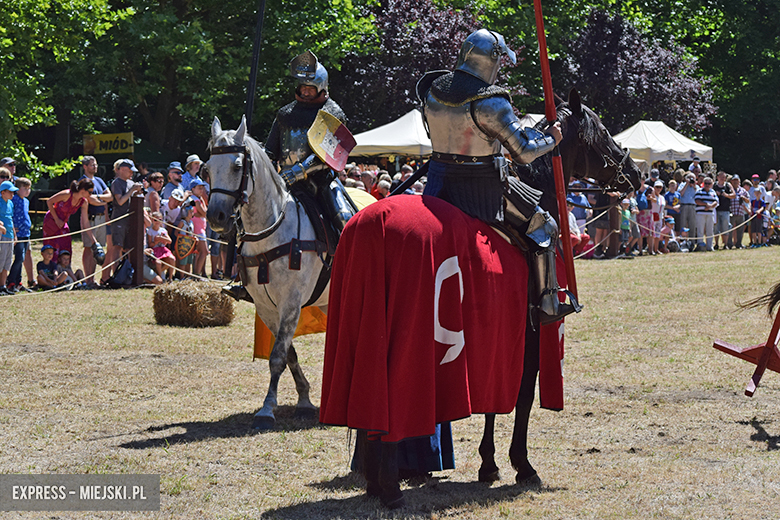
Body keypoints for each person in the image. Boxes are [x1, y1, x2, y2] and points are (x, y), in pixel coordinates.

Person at [418, 28, 574, 324]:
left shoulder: (433, 90)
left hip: (437, 184)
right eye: (501, 61)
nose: (501, 67)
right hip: (482, 187)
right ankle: (548, 303)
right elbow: (523, 152)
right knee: (545, 225)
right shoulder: (491, 102)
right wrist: (552, 139)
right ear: (491, 61)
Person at [224, 50, 356, 302]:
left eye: (310, 87)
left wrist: (297, 172)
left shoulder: (332, 112)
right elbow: (271, 148)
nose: (305, 91)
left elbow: (327, 153)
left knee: (346, 221)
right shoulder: (285, 113)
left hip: (320, 182)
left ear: (321, 87)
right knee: (245, 221)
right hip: (285, 185)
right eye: (302, 86)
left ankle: (355, 271)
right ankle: (242, 279)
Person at [43, 178, 110, 264]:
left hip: (63, 224)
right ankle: (51, 273)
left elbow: (86, 222)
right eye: (89, 192)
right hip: (51, 222)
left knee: (66, 250)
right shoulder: (67, 194)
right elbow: (49, 202)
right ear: (82, 190)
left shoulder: (83, 202)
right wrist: (56, 219)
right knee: (52, 251)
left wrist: (94, 241)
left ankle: (64, 273)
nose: (90, 195)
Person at [79, 156, 110, 285]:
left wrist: (98, 198)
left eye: (96, 164)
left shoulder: (99, 180)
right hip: (89, 218)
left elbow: (110, 196)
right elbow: (89, 200)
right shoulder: (82, 182)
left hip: (101, 218)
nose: (95, 167)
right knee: (89, 247)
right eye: (92, 165)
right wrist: (102, 200)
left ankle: (94, 279)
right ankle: (88, 279)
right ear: (85, 166)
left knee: (99, 249)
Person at [109, 159, 145, 265]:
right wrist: (132, 190)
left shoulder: (130, 183)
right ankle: (116, 275)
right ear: (122, 170)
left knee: (128, 247)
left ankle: (127, 273)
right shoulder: (116, 183)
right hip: (119, 219)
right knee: (117, 247)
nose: (132, 173)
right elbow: (120, 201)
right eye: (130, 171)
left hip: (130, 219)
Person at [8, 177, 32, 292]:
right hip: (18, 233)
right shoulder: (14, 199)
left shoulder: (26, 201)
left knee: (22, 258)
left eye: (29, 188)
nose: (28, 191)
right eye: (25, 188)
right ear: (17, 189)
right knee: (19, 257)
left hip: (26, 233)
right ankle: (11, 280)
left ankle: (18, 281)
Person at [189, 178, 210, 277]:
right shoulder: (195, 199)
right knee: (204, 251)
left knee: (199, 252)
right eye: (199, 188)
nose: (201, 190)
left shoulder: (199, 199)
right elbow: (205, 212)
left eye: (202, 188)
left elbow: (204, 212)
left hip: (200, 227)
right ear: (193, 189)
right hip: (197, 228)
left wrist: (201, 214)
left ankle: (197, 273)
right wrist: (202, 214)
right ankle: (197, 274)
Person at [147, 211, 175, 280]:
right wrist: (157, 241)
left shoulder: (163, 230)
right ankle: (160, 278)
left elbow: (169, 241)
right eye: (155, 220)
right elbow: (150, 244)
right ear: (152, 220)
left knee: (172, 259)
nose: (157, 222)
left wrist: (161, 238)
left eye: (160, 220)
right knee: (158, 262)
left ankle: (170, 278)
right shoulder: (150, 231)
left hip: (163, 249)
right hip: (155, 250)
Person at [0, 179, 17, 294]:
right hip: (1, 237)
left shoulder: (10, 203)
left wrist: (15, 236)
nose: (12, 194)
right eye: (10, 192)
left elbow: (11, 220)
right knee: (0, 261)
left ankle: (2, 286)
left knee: (7, 262)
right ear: (2, 192)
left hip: (10, 236)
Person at [712, 171, 735, 250]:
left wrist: (726, 195)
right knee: (716, 228)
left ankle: (725, 244)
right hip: (716, 210)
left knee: (725, 227)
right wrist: (715, 193)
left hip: (726, 210)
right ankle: (716, 244)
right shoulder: (714, 185)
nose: (722, 179)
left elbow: (734, 195)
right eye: (721, 177)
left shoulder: (728, 185)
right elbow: (710, 193)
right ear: (717, 177)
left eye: (724, 177)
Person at [694, 176, 718, 251]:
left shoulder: (713, 192)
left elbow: (716, 201)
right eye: (706, 183)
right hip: (700, 213)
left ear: (711, 184)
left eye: (709, 183)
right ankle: (700, 245)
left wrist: (710, 206)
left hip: (710, 213)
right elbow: (697, 201)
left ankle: (710, 246)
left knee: (710, 230)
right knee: (700, 230)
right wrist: (705, 204)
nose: (707, 185)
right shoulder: (699, 191)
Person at [728, 175, 749, 249]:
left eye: (737, 180)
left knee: (740, 230)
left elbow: (748, 200)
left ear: (739, 181)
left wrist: (744, 198)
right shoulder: (729, 189)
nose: (736, 182)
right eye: (734, 180)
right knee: (730, 229)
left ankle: (738, 243)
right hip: (731, 212)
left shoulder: (743, 190)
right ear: (731, 181)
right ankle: (729, 244)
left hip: (740, 212)